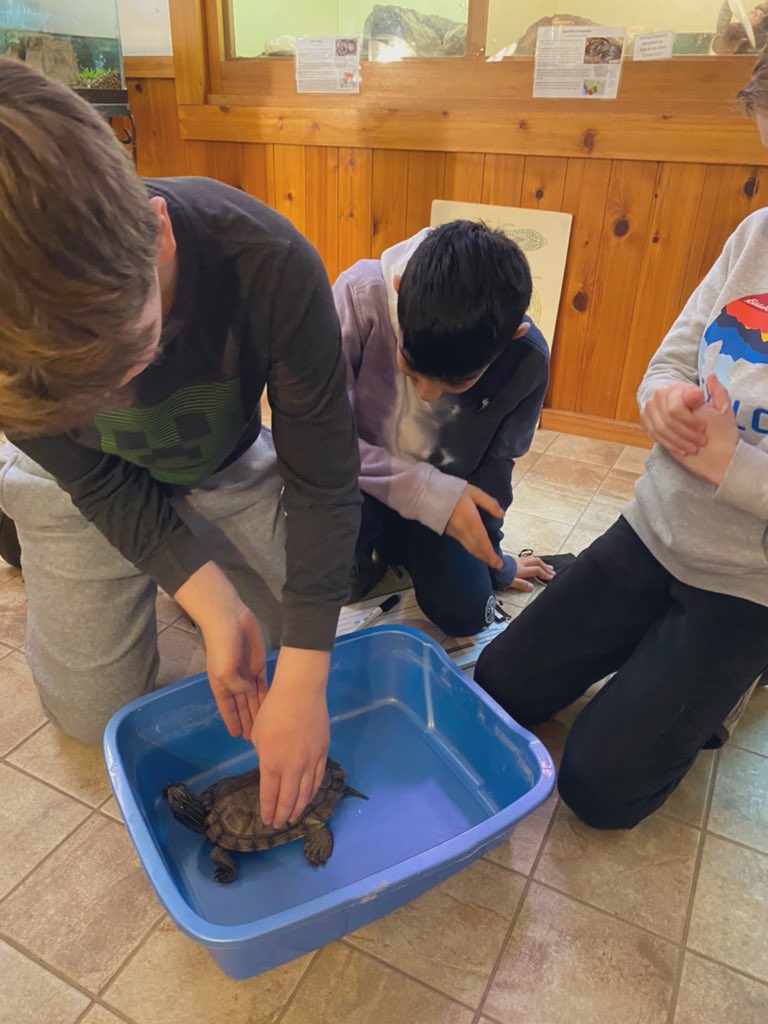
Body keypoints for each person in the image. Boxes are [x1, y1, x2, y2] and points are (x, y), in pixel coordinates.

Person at [0, 58, 361, 830]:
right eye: (79, 395)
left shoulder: (270, 263)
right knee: (90, 716)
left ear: (158, 233)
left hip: (222, 460)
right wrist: (204, 592)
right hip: (79, 487)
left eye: (129, 356)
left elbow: (326, 481)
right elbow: (93, 479)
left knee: (314, 635)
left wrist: (302, 671)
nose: (119, 399)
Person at [473, 51, 768, 831]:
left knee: (599, 792)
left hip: (751, 583)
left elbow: (729, 466)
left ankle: (734, 682)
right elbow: (675, 354)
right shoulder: (755, 234)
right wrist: (659, 399)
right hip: (656, 526)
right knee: (500, 684)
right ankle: (662, 646)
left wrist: (731, 469)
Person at [333, 219, 557, 637]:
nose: (428, 395)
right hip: (354, 486)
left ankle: (402, 543)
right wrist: (418, 493)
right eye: (409, 367)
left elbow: (495, 470)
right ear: (399, 289)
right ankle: (381, 543)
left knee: (467, 614)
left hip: (443, 500)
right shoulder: (356, 297)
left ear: (514, 335)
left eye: (457, 383)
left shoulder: (527, 359)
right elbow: (320, 442)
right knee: (335, 586)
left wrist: (495, 560)